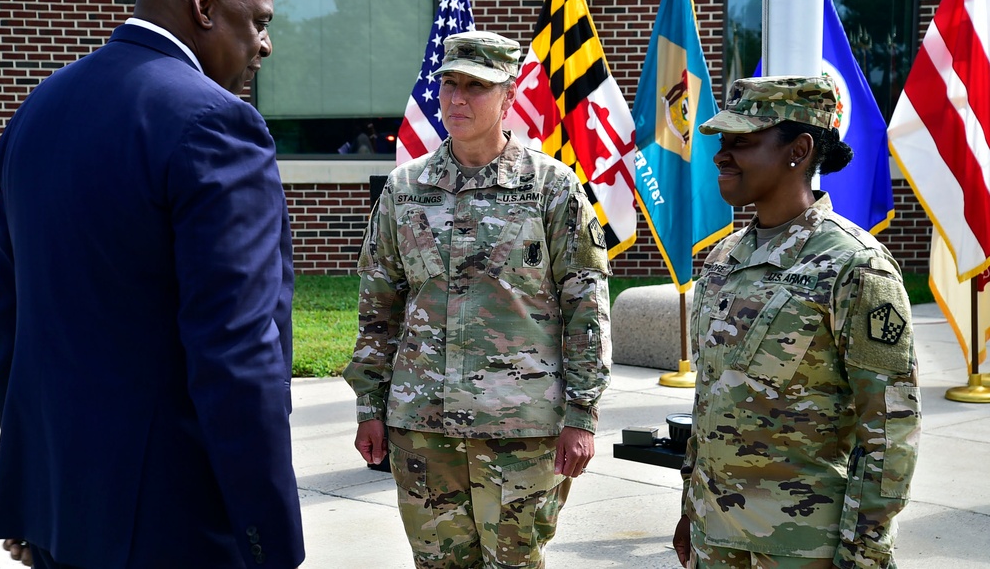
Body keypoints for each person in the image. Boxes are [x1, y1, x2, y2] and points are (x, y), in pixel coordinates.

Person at [0, 0, 304, 569]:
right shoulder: (215, 123)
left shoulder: (37, 112)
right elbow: (237, 352)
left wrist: (30, 497)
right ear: (204, 5)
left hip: (63, 514)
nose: (265, 45)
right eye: (259, 20)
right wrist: (269, 539)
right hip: (175, 526)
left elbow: (12, 324)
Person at [344, 30, 613, 568]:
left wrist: (582, 413)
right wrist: (369, 407)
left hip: (519, 427)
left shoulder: (551, 188)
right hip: (422, 424)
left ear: (509, 96)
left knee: (515, 562)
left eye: (477, 86)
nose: (458, 99)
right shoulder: (405, 189)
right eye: (449, 85)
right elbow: (379, 308)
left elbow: (586, 305)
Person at [672, 76, 920, 569]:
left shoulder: (854, 265)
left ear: (799, 149)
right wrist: (689, 510)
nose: (722, 155)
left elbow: (890, 427)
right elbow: (712, 399)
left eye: (742, 142)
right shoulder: (724, 258)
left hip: (804, 546)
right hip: (715, 534)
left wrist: (863, 553)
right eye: (722, 143)